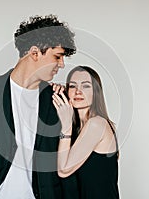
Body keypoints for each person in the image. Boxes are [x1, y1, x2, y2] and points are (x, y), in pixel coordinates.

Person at [0, 15, 77, 199]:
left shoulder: (57, 99)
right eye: (57, 56)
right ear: (35, 53)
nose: (62, 64)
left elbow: (68, 162)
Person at [52, 66, 120, 199]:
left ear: (96, 92)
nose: (78, 91)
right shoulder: (79, 128)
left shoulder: (96, 124)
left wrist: (66, 127)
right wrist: (55, 90)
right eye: (72, 86)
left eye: (86, 86)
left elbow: (64, 170)